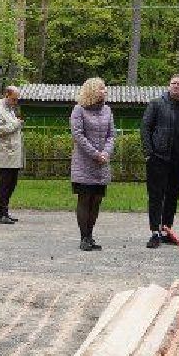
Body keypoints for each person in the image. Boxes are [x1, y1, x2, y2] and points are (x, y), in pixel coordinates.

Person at [140, 74, 179, 248]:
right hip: (159, 158)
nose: (176, 86)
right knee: (156, 196)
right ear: (168, 86)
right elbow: (145, 128)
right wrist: (149, 153)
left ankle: (167, 231)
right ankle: (154, 232)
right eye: (173, 83)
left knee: (173, 196)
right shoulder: (157, 104)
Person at [70, 77, 115, 251]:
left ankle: (90, 236)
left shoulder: (108, 110)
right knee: (85, 199)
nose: (105, 91)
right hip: (84, 163)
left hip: (102, 164)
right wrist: (95, 154)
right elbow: (78, 135)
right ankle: (83, 238)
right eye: (103, 88)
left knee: (96, 200)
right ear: (93, 90)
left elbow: (112, 135)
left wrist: (106, 152)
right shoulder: (79, 110)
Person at [0, 85, 25, 224]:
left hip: (14, 155)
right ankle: (0, 214)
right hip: (5, 155)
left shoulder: (10, 111)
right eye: (14, 99)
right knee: (3, 185)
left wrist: (16, 123)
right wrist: (16, 125)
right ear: (6, 96)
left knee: (11, 184)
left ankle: (5, 211)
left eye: (17, 100)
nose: (15, 102)